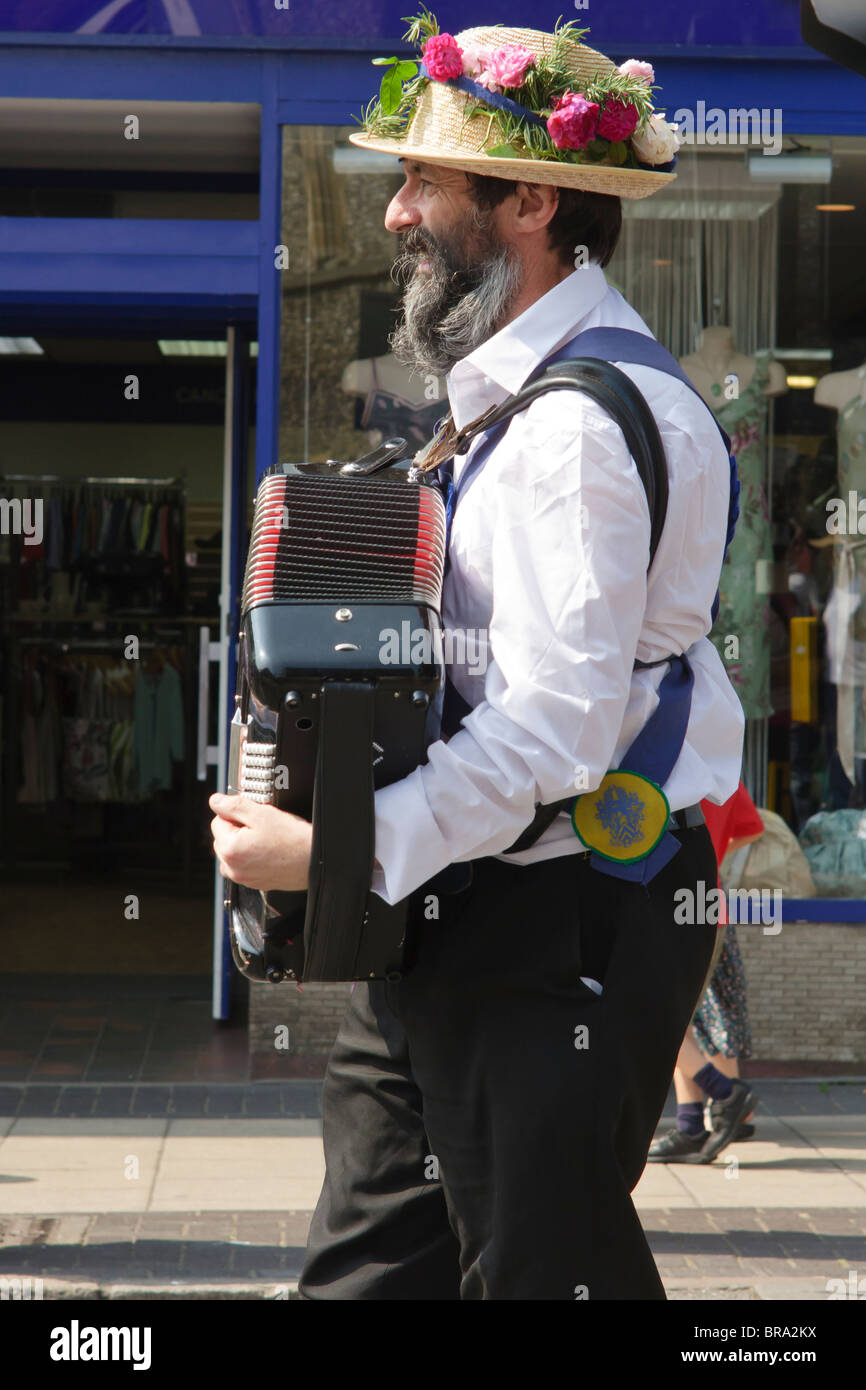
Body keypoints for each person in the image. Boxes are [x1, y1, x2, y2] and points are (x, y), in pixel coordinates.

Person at [209, 18, 744, 1299]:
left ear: (529, 200)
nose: (394, 215)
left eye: (420, 182)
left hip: (557, 924)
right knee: (374, 1269)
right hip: (473, 911)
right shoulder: (520, 399)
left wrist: (339, 850)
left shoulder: (569, 433)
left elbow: (555, 732)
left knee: (537, 1270)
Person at [649, 782, 763, 1163]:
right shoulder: (722, 773)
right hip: (707, 904)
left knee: (654, 1015)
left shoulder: (661, 768)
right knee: (686, 1022)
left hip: (667, 908)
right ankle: (690, 1125)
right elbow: (751, 827)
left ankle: (726, 1094)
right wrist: (712, 857)